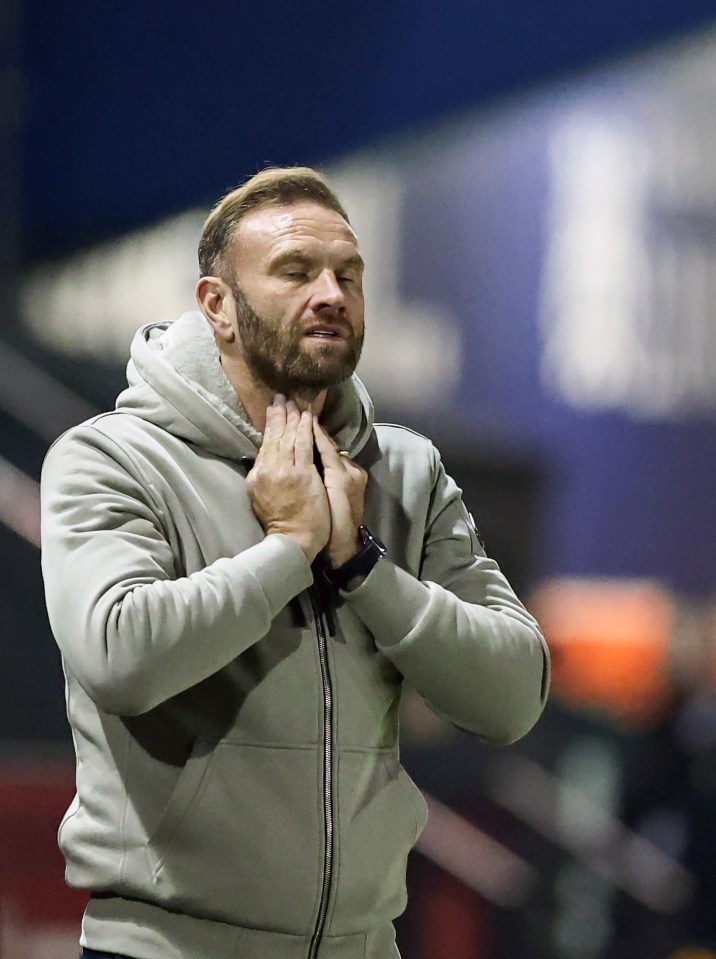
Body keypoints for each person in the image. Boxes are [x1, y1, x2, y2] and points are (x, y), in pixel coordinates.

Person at [40, 166, 550, 959]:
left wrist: (361, 564)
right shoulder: (114, 459)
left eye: (348, 273)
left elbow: (515, 694)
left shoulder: (406, 472)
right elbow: (119, 656)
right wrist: (288, 549)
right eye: (294, 271)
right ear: (218, 306)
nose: (331, 293)